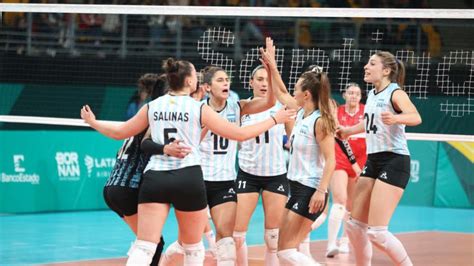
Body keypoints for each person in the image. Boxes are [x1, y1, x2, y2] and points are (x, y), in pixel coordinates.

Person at [81, 57, 296, 266]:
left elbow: (121, 132)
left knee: (145, 246)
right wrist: (275, 119)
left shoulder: (153, 106)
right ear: (190, 81)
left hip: (155, 177)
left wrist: (93, 122)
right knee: (193, 249)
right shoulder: (198, 108)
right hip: (188, 177)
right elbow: (239, 134)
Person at [337, 51, 421, 266]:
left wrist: (396, 118)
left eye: (372, 63)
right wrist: (348, 131)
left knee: (377, 233)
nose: (366, 66)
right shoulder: (373, 94)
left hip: (395, 160)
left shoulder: (396, 93)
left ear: (386, 71)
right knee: (354, 226)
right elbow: (370, 122)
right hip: (374, 160)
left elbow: (415, 117)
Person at [260, 37, 336, 265]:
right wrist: (272, 66)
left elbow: (331, 160)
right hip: (296, 185)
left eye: (297, 88)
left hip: (310, 188)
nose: (292, 91)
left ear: (307, 95)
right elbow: (281, 93)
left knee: (284, 250)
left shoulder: (320, 121)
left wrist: (321, 191)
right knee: (284, 247)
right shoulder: (301, 111)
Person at [101, 73, 188, 266]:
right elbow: (148, 147)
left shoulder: (144, 115)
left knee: (147, 241)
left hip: (112, 188)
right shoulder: (157, 118)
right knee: (152, 243)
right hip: (127, 189)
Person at [200, 65, 277, 266]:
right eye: (220, 80)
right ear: (207, 87)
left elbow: (270, 101)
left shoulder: (237, 107)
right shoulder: (197, 109)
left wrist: (272, 69)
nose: (226, 82)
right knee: (188, 244)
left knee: (227, 242)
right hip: (198, 181)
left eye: (227, 79)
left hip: (224, 182)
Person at [233, 64, 291, 266]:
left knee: (273, 238)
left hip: (275, 175)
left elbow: (293, 139)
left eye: (267, 79)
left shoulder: (282, 107)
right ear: (251, 83)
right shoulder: (241, 107)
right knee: (237, 235)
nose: (264, 83)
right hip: (247, 174)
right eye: (259, 79)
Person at [326, 82, 367, 258]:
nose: (353, 96)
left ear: (360, 96)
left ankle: (344, 239)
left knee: (351, 204)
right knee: (340, 200)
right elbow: (339, 138)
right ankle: (331, 244)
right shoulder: (338, 111)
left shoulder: (366, 111)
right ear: (344, 95)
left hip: (361, 160)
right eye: (350, 93)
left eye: (356, 94)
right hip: (341, 160)